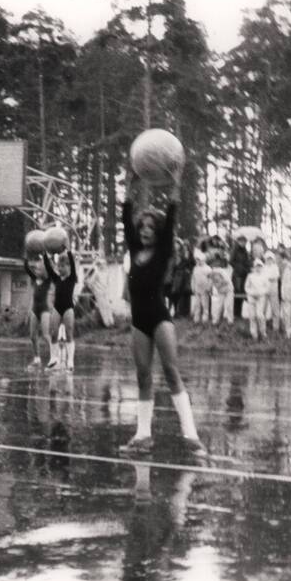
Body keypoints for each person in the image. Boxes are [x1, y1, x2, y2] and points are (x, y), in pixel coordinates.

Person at [118, 167, 207, 458]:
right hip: (138, 321)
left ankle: (191, 436)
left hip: (159, 317)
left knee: (170, 371)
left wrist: (176, 185)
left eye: (149, 228)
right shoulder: (133, 250)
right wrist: (131, 187)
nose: (144, 231)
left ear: (157, 232)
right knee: (143, 375)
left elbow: (171, 216)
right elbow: (125, 217)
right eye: (141, 227)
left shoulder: (164, 249)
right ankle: (143, 435)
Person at [44, 249, 78, 371]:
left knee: (69, 334)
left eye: (62, 266)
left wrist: (68, 251)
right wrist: (46, 255)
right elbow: (49, 269)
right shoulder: (57, 278)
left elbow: (73, 265)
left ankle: (70, 362)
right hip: (57, 308)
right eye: (58, 266)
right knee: (54, 333)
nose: (59, 269)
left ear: (68, 267)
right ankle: (53, 359)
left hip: (68, 308)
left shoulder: (72, 278)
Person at [24, 251, 54, 371]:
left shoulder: (47, 280)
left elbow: (49, 266)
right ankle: (37, 359)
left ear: (44, 270)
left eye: (39, 269)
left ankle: (54, 358)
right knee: (32, 335)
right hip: (35, 309)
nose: (36, 270)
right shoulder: (34, 279)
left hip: (44, 309)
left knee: (46, 335)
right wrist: (27, 256)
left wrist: (45, 254)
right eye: (36, 269)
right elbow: (27, 268)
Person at [245, 258, 269, 341]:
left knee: (260, 315)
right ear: (254, 267)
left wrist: (260, 293)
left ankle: (263, 333)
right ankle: (254, 334)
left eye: (259, 266)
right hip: (251, 298)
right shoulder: (250, 276)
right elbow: (246, 287)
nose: (258, 268)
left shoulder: (264, 276)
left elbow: (267, 288)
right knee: (252, 316)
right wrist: (251, 293)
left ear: (262, 267)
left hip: (260, 298)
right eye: (256, 266)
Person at [230, 235, 250, 319]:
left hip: (244, 275)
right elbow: (231, 261)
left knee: (242, 293)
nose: (243, 243)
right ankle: (235, 314)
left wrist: (247, 268)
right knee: (236, 293)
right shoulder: (235, 250)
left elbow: (247, 262)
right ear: (238, 242)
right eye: (241, 241)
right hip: (237, 275)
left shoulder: (245, 251)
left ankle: (239, 314)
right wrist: (239, 267)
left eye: (244, 241)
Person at [190, 252, 213, 324]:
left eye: (199, 260)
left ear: (203, 260)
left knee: (205, 304)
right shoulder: (195, 268)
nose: (198, 261)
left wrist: (209, 287)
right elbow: (193, 278)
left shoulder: (208, 268)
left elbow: (210, 279)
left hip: (205, 289)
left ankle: (205, 317)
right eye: (197, 260)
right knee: (197, 304)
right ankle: (196, 318)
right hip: (197, 289)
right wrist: (192, 287)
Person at [262, 250, 281, 332]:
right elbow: (261, 278)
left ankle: (276, 326)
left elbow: (275, 277)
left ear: (273, 259)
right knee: (263, 308)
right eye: (267, 259)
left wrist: (267, 278)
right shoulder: (263, 267)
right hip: (264, 290)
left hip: (273, 290)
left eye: (270, 259)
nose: (269, 260)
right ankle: (262, 325)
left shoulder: (275, 267)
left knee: (275, 308)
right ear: (265, 259)